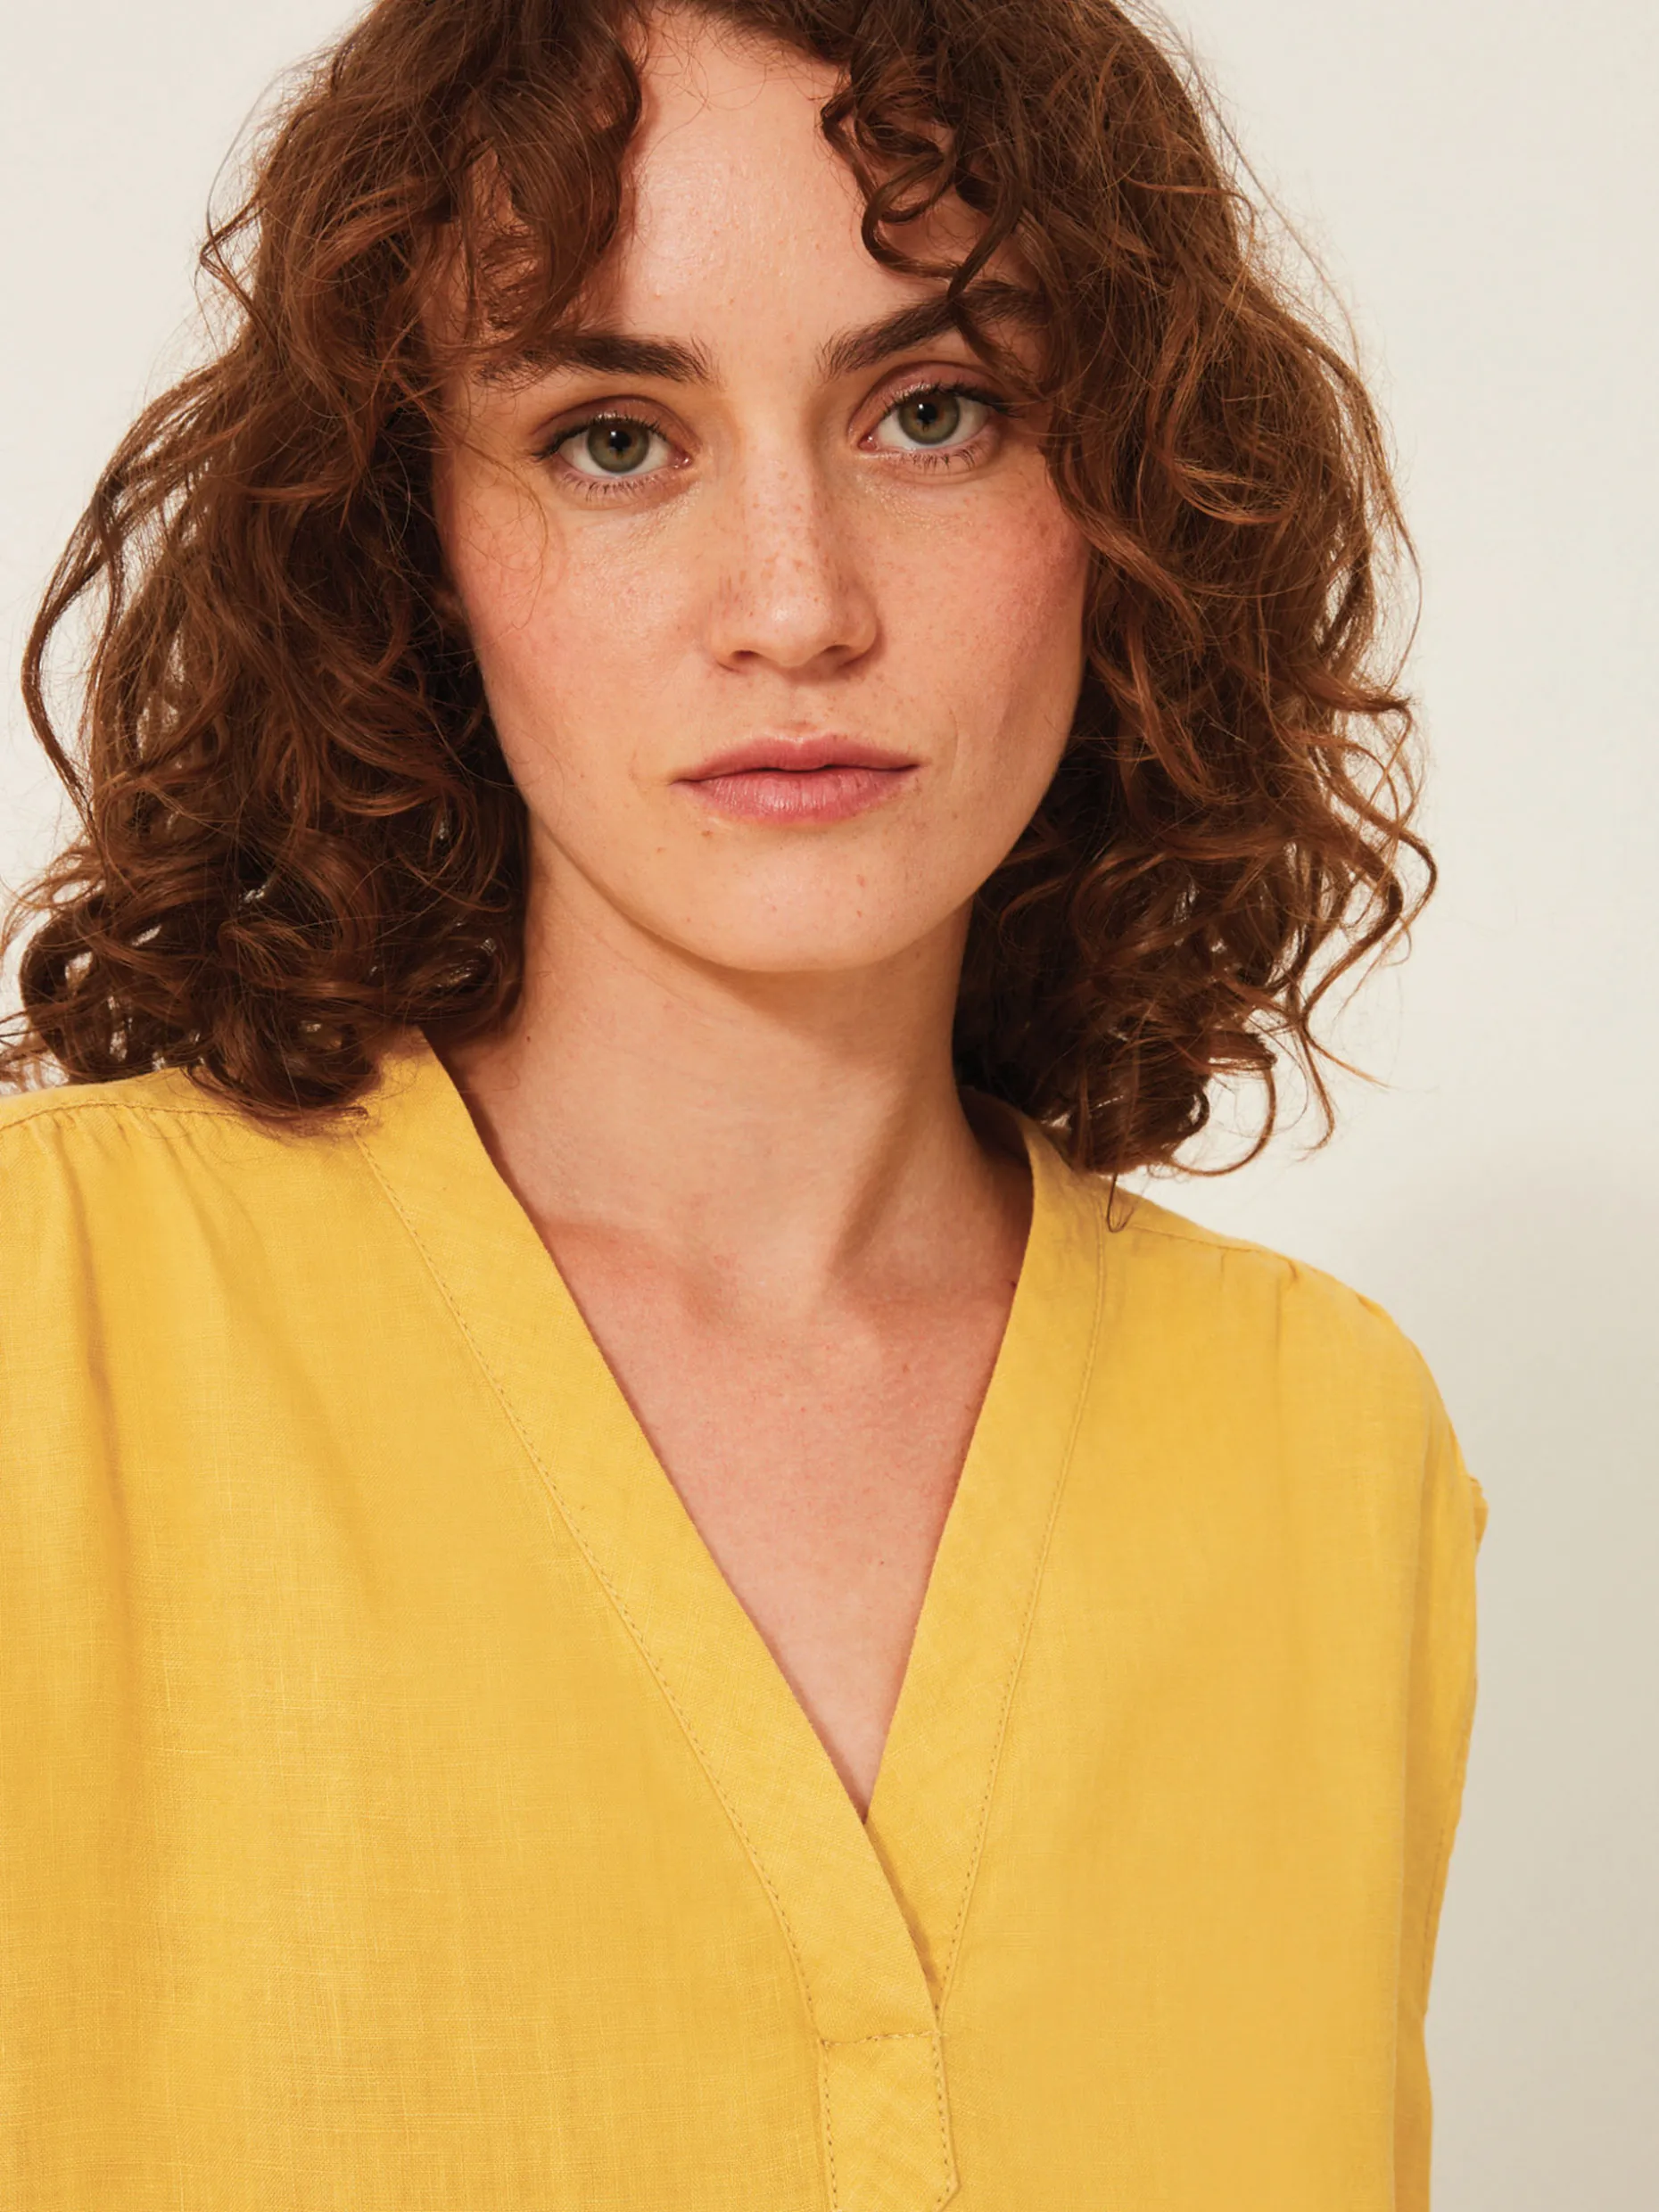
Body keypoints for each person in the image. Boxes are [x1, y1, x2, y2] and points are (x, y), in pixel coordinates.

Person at [0, 1, 1487, 2206]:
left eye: (936, 411)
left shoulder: (1333, 1459)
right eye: (615, 437)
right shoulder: (50, 1338)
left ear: (1131, 496)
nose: (796, 604)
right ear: (416, 538)